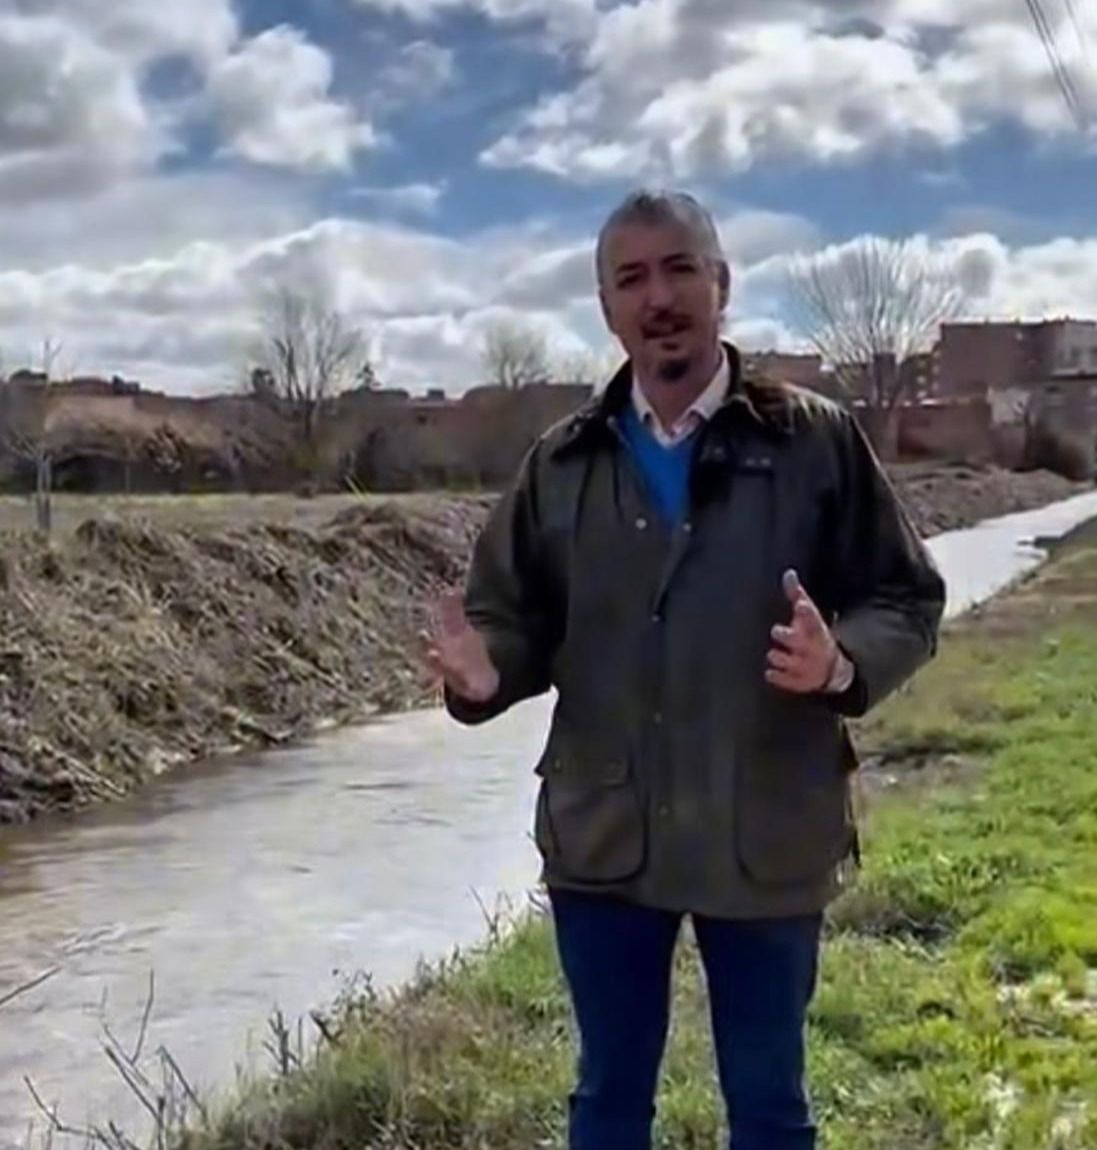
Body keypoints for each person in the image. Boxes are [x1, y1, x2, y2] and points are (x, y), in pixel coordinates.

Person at [424, 189, 946, 1150]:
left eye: (678, 269)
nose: (657, 297)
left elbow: (905, 597)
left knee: (770, 1106)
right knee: (607, 1100)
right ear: (606, 307)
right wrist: (485, 672)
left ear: (721, 284)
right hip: (603, 837)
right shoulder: (561, 463)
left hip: (767, 826)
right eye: (631, 279)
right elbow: (512, 618)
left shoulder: (815, 441)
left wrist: (842, 664)